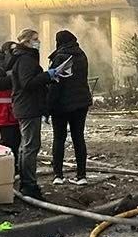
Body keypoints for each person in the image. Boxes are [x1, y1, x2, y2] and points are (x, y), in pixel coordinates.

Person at [6, 28, 48, 200]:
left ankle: (26, 182)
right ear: (27, 41)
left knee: (26, 146)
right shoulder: (26, 59)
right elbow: (28, 83)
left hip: (25, 106)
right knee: (31, 146)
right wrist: (48, 76)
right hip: (29, 107)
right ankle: (29, 185)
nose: (38, 42)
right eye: (35, 39)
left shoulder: (22, 57)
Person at [46, 29, 92, 184]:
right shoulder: (81, 55)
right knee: (78, 138)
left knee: (59, 138)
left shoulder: (59, 58)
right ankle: (82, 175)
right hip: (81, 103)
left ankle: (58, 175)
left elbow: (55, 85)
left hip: (61, 105)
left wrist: (48, 107)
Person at [0, 40, 19, 156]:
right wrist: (17, 76)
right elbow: (0, 84)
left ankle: (14, 164)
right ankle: (8, 164)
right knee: (8, 143)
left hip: (9, 112)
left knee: (15, 142)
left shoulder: (5, 66)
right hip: (4, 112)